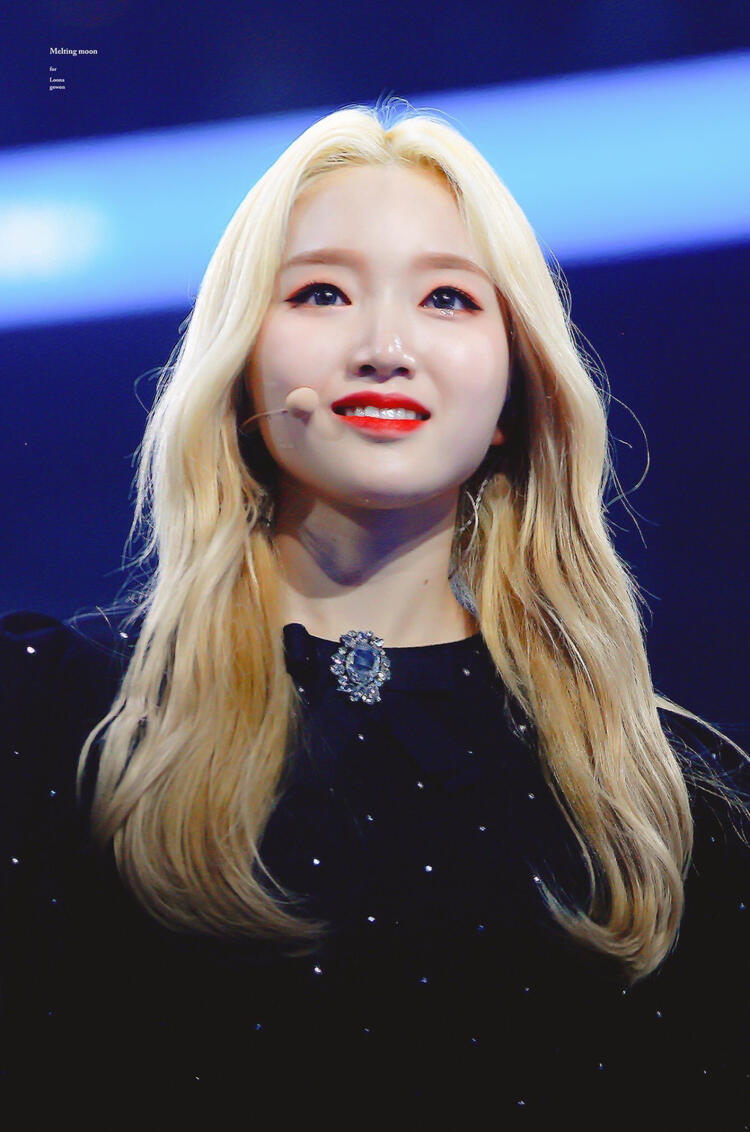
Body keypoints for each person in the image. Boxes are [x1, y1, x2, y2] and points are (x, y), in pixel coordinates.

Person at [1, 98, 748, 1124]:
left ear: (516, 389)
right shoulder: (50, 717)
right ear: (241, 367)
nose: (385, 346)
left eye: (447, 298)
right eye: (321, 292)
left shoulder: (667, 800)